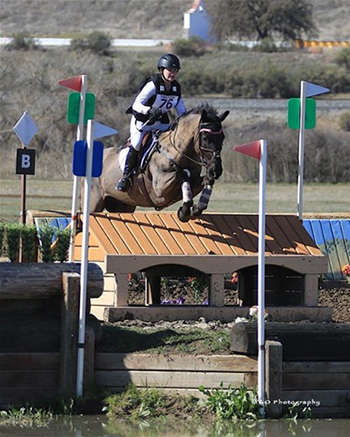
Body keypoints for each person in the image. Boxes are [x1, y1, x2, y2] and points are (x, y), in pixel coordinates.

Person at [116, 53, 187, 191]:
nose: (172, 73)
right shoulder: (153, 84)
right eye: (170, 70)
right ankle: (126, 177)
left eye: (175, 71)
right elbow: (137, 104)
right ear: (162, 69)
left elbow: (181, 111)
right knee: (136, 144)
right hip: (142, 122)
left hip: (161, 123)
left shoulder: (176, 88)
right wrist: (149, 110)